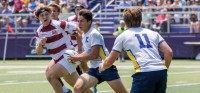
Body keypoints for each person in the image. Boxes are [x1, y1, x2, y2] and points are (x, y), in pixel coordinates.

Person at [99, 7, 173, 93]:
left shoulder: (123, 36)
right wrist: (165, 68)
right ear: (141, 19)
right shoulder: (153, 33)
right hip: (161, 72)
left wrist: (103, 65)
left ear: (125, 21)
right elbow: (169, 51)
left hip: (144, 73)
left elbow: (110, 62)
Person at [68, 9, 128, 93]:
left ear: (89, 22)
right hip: (94, 70)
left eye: (82, 21)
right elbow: (88, 51)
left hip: (106, 67)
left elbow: (94, 55)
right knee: (77, 88)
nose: (79, 23)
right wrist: (77, 56)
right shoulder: (84, 34)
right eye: (78, 21)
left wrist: (77, 58)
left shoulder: (94, 34)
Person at [34, 6, 91, 93]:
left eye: (46, 14)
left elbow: (77, 31)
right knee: (79, 88)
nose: (45, 17)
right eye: (42, 15)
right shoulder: (39, 32)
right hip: (57, 59)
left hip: (68, 56)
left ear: (50, 14)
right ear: (38, 17)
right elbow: (39, 52)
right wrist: (40, 44)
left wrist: (79, 50)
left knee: (51, 75)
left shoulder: (60, 24)